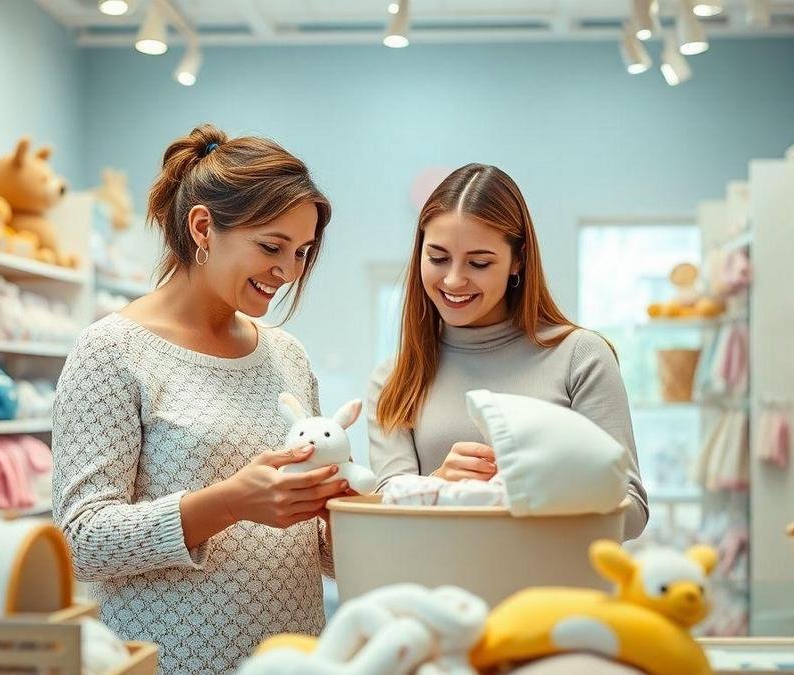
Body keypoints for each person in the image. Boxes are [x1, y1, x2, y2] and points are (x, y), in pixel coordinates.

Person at [53, 124, 348, 674]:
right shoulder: (112, 351)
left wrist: (343, 508)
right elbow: (81, 542)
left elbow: (311, 545)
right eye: (271, 246)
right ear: (203, 226)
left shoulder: (288, 357)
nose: (288, 271)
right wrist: (228, 503)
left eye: (303, 252)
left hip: (295, 659)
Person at [368, 163, 648, 539]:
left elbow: (631, 510)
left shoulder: (580, 356)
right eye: (437, 258)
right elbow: (387, 515)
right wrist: (438, 485)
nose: (453, 279)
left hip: (554, 596)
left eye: (479, 263)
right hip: (437, 593)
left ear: (518, 260)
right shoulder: (394, 378)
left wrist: (542, 487)